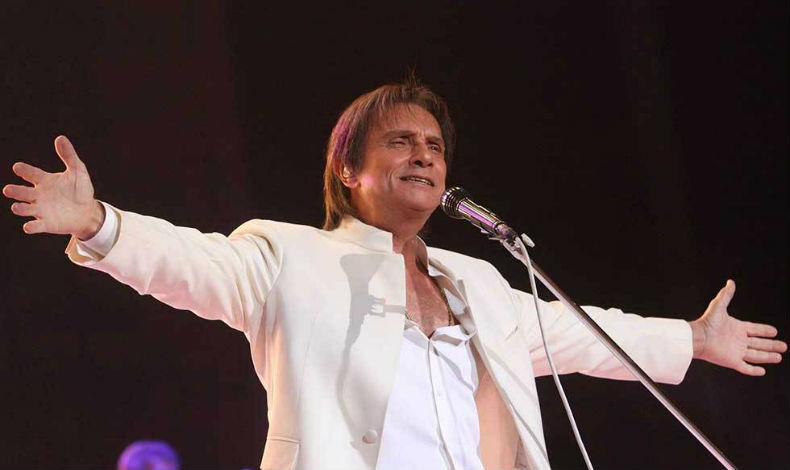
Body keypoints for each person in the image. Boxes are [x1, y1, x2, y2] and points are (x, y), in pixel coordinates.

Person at [3, 81, 786, 470]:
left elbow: (584, 333)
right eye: (400, 142)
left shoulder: (480, 281)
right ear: (347, 169)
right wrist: (99, 222)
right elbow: (190, 264)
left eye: (434, 147)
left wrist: (692, 339)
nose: (423, 156)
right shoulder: (289, 257)